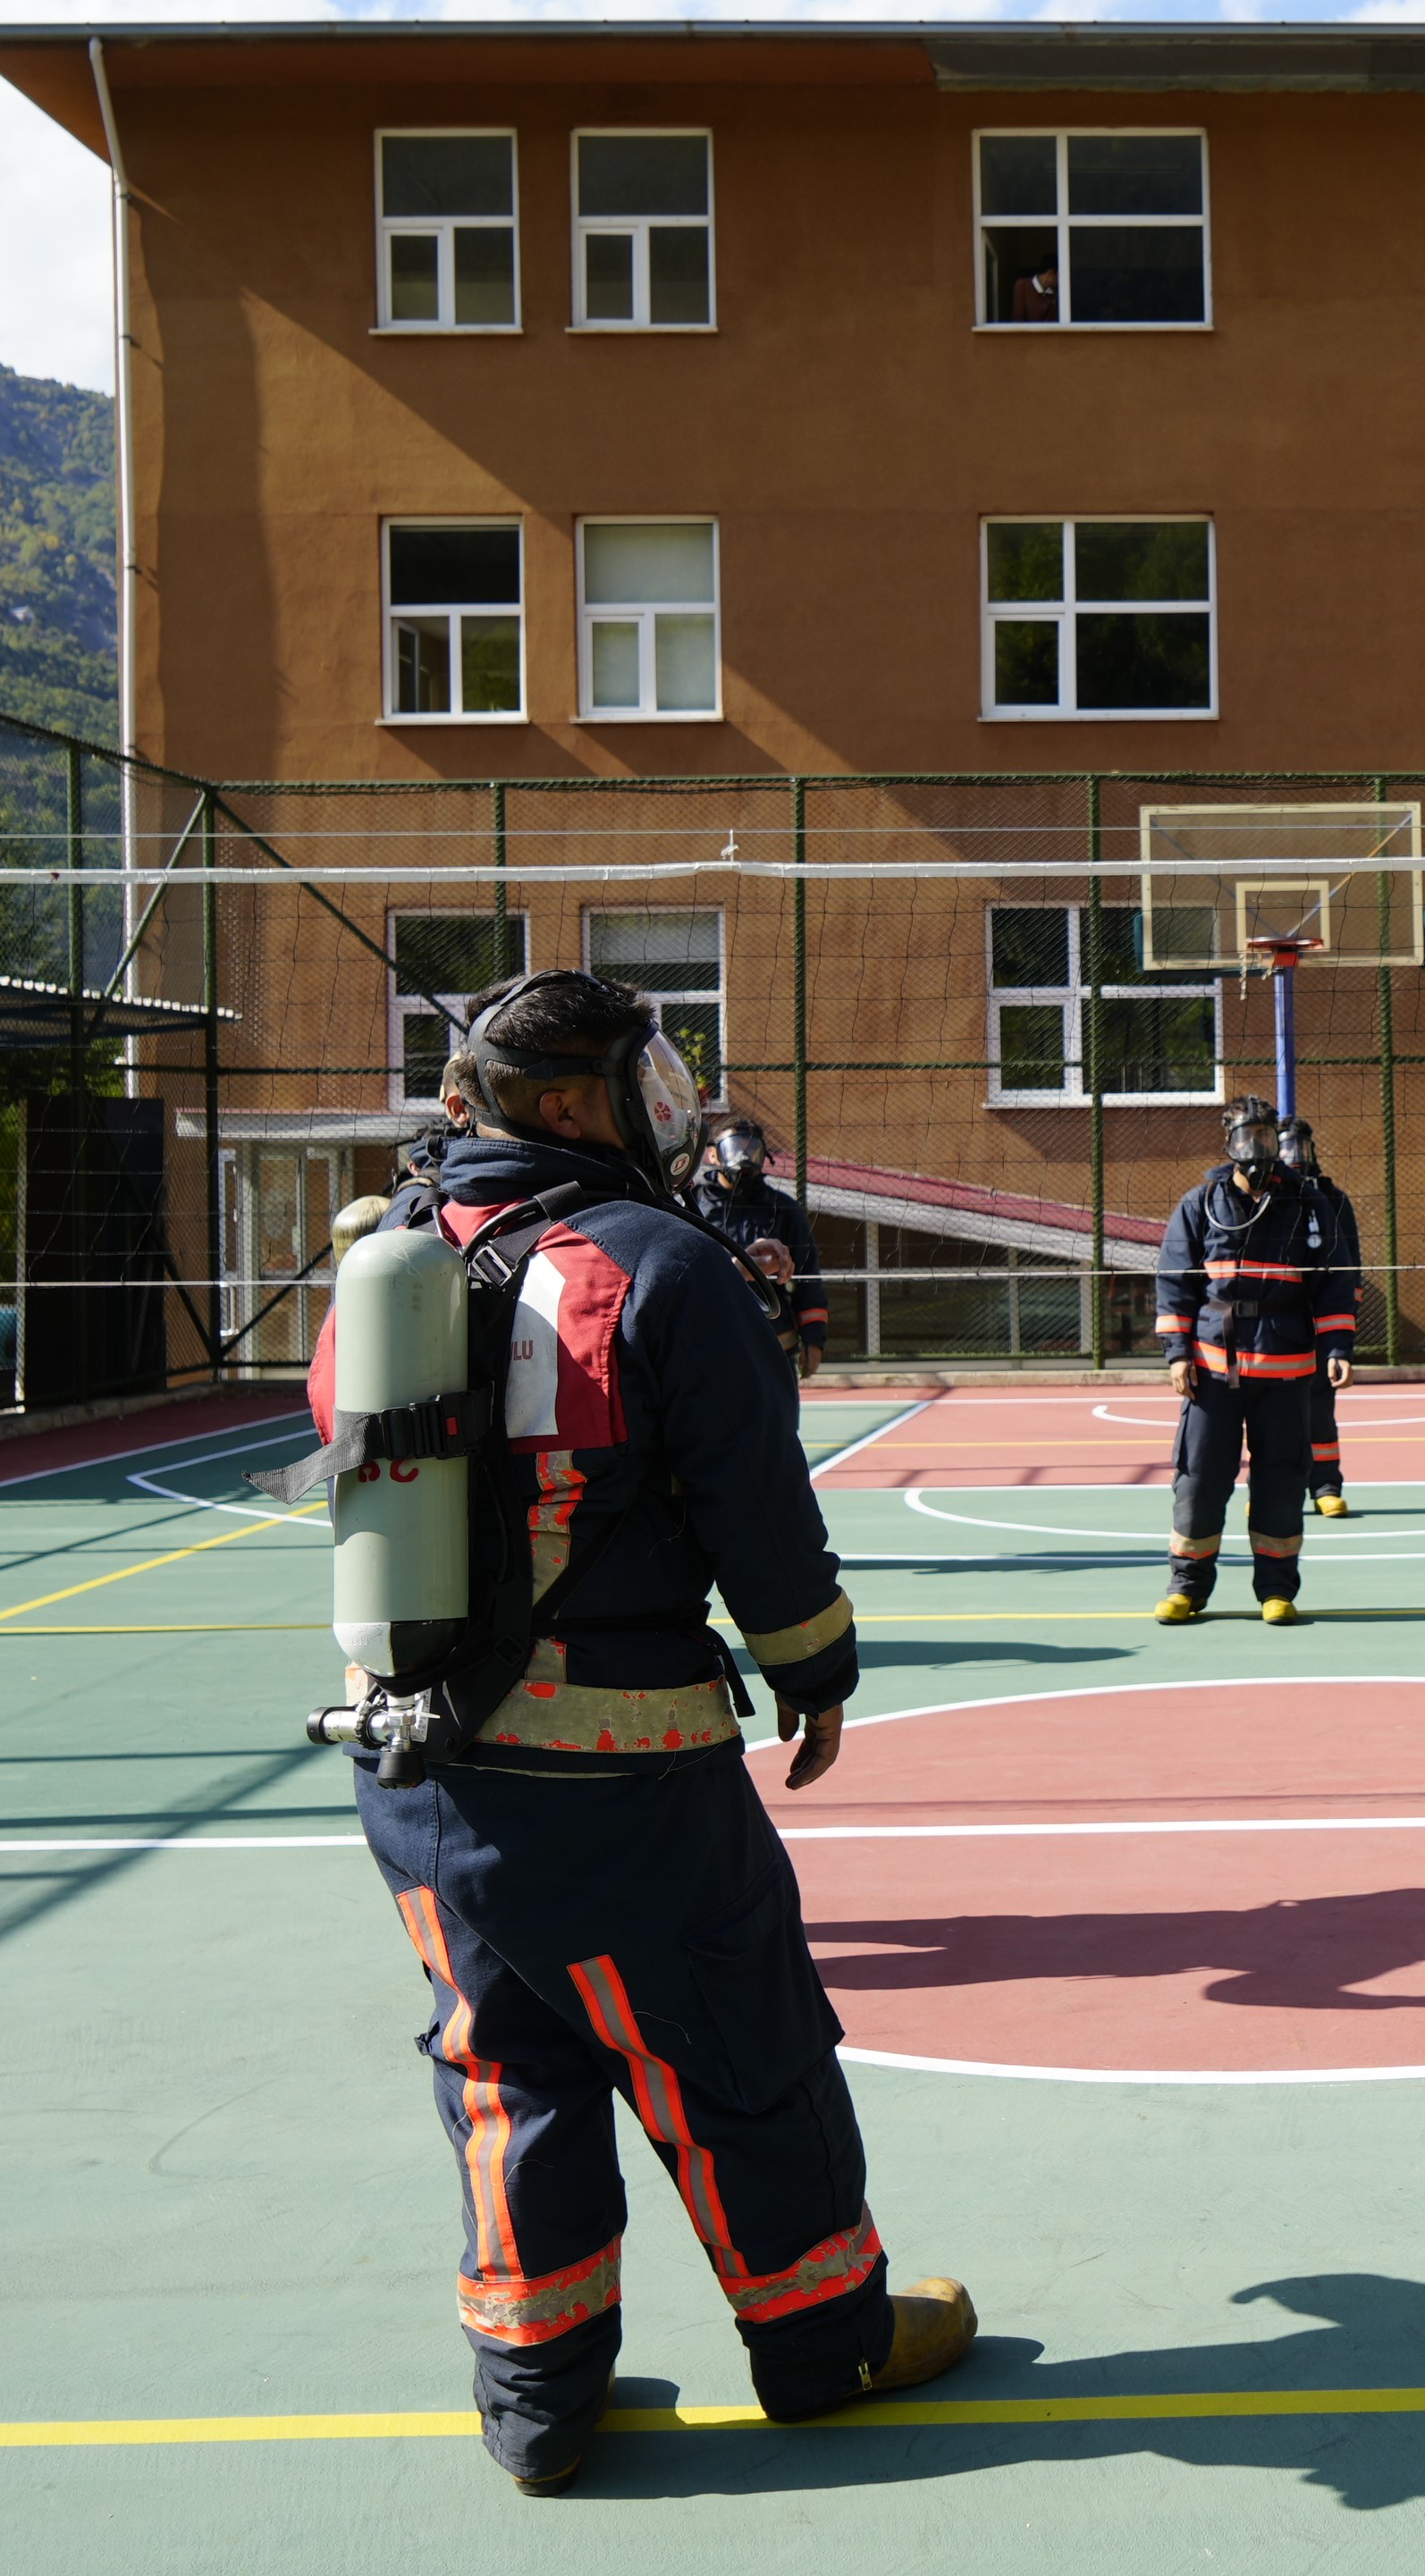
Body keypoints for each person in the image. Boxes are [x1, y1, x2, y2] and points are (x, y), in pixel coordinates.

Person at [313, 968, 973, 2491]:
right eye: (640, 1086)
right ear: (565, 1104)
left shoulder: (395, 1257)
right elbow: (757, 1505)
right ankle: (826, 2341)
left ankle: (537, 2396)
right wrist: (816, 1669)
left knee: (503, 2061)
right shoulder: (659, 1266)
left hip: (414, 1767)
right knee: (732, 2044)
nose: (662, 1116)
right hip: (618, 1769)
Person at [1152, 1096, 1358, 1623]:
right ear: (1229, 1143)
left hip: (1286, 1369)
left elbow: (1335, 1283)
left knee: (1282, 1479)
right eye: (1248, 1138)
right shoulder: (1200, 1203)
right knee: (1199, 1479)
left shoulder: (1310, 1205)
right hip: (1212, 1372)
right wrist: (1177, 1355)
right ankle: (1188, 1589)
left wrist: (1337, 1347)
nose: (1257, 1150)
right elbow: (1175, 1283)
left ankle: (1276, 1590)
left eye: (1266, 1138)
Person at [679, 1114, 830, 1377]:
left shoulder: (783, 1208)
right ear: (713, 1155)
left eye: (752, 1148)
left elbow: (808, 1276)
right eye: (736, 1147)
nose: (744, 1156)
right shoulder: (692, 1206)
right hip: (709, 1339)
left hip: (774, 1341)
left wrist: (814, 1338)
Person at [1277, 1114, 1362, 1515]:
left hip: (1317, 1322)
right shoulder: (1260, 1199)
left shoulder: (1333, 1199)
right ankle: (1272, 1489)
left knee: (1318, 1409)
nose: (1294, 1156)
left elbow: (1348, 1269)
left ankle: (1325, 1484)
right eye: (1285, 1147)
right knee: (1269, 1414)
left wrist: (1340, 1340)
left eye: (1301, 1147)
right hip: (1271, 1325)